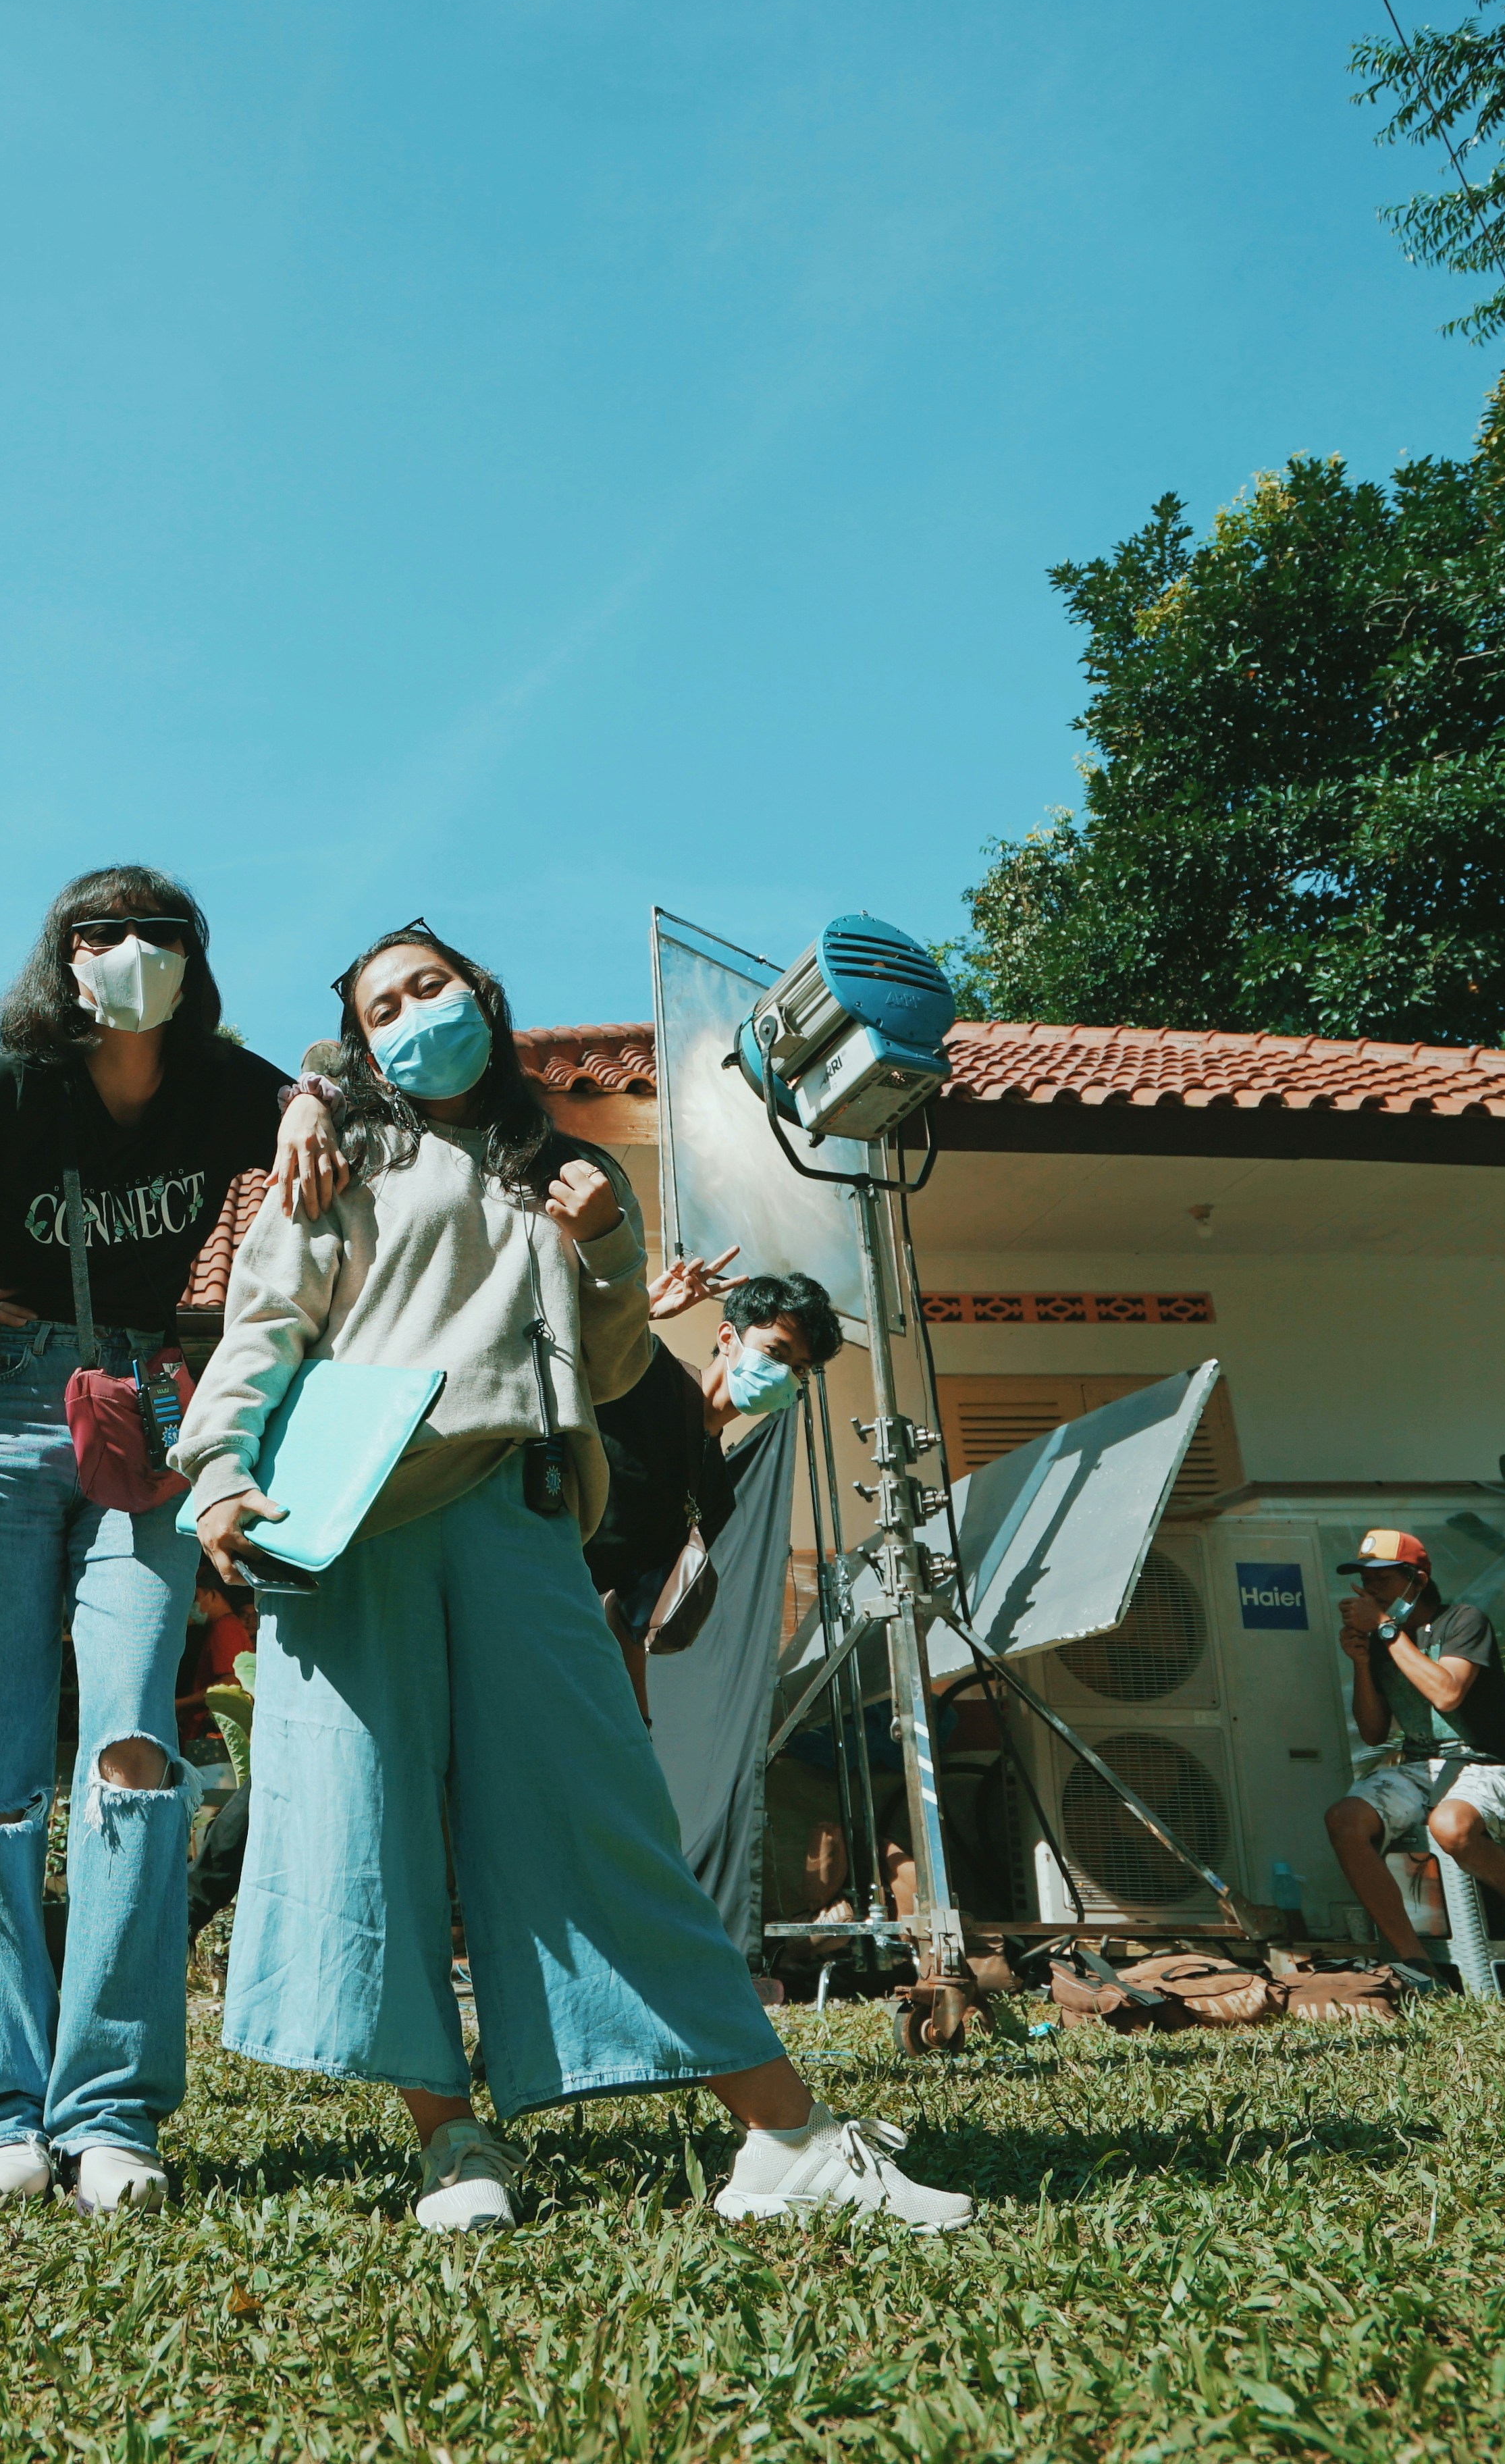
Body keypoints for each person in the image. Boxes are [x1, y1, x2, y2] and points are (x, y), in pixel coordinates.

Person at [180, 922, 972, 2235]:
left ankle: (780, 2138)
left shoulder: (577, 1168)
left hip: (524, 1516)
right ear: (361, 1042)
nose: (412, 1010)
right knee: (373, 1833)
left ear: (482, 994)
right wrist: (215, 1471)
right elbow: (263, 1326)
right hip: (357, 1520)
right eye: (383, 1005)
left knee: (606, 1818)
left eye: (429, 983)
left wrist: (607, 1252)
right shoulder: (342, 1154)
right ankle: (451, 2137)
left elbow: (608, 1375)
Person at [0, 865, 342, 2219]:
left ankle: (109, 2111)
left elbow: (312, 1106)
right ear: (63, 957)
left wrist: (321, 1094)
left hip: (144, 1419)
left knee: (133, 1754)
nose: (130, 951)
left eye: (159, 933)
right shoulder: (8, 1086)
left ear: (192, 958)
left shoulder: (224, 1083)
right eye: (99, 932)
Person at [580, 1254, 844, 1717]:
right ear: (728, 1338)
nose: (785, 1375)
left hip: (576, 1646)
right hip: (518, 1584)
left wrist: (639, 1723)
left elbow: (628, 1616)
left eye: (799, 1369)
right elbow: (550, 1356)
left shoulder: (714, 1494)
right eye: (777, 1353)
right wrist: (637, 1313)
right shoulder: (647, 1373)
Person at [1323, 1529, 1505, 1971]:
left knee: (1451, 1825)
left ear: (1417, 1580)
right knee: (1344, 1819)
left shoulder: (1464, 1621)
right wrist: (1361, 1661)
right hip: (1418, 1765)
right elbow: (1374, 1733)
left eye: (1383, 1578)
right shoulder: (1385, 1638)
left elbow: (1447, 1694)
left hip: (1484, 1763)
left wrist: (1386, 1629)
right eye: (1364, 1578)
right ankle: (1415, 1963)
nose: (1371, 1588)